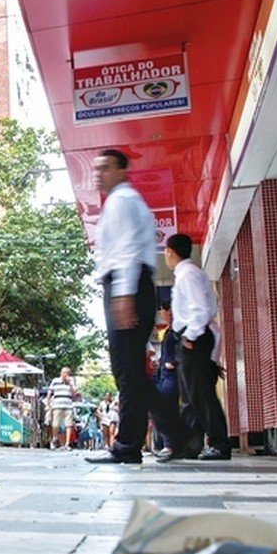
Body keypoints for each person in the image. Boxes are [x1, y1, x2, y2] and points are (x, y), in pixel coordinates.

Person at [85, 148, 187, 464]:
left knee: (128, 372)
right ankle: (179, 433)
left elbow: (127, 251)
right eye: (96, 168)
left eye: (105, 168)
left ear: (122, 171)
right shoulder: (118, 201)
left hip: (127, 285)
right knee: (130, 373)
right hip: (126, 285)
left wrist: (124, 295)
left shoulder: (123, 201)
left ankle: (129, 445)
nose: (98, 173)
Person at [163, 233, 232, 461]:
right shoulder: (185, 274)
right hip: (193, 335)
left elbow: (200, 308)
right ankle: (189, 446)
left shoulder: (188, 275)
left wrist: (190, 336)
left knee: (201, 394)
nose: (165, 255)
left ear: (171, 251)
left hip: (197, 336)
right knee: (190, 396)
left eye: (165, 251)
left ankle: (220, 444)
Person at [151, 301, 182, 460]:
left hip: (172, 374)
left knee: (166, 407)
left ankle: (170, 445)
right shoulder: (168, 330)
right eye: (162, 312)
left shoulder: (178, 328)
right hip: (163, 373)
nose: (163, 315)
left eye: (165, 311)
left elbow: (184, 348)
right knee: (162, 407)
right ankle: (168, 443)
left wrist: (175, 363)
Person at [45, 366, 76, 449]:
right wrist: (48, 404)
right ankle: (54, 439)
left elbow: (74, 394)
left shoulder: (72, 381)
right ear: (61, 373)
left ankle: (67, 443)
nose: (66, 375)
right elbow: (49, 393)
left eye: (67, 373)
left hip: (68, 405)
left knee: (68, 425)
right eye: (64, 373)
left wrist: (70, 384)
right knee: (55, 424)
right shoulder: (55, 381)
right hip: (57, 405)